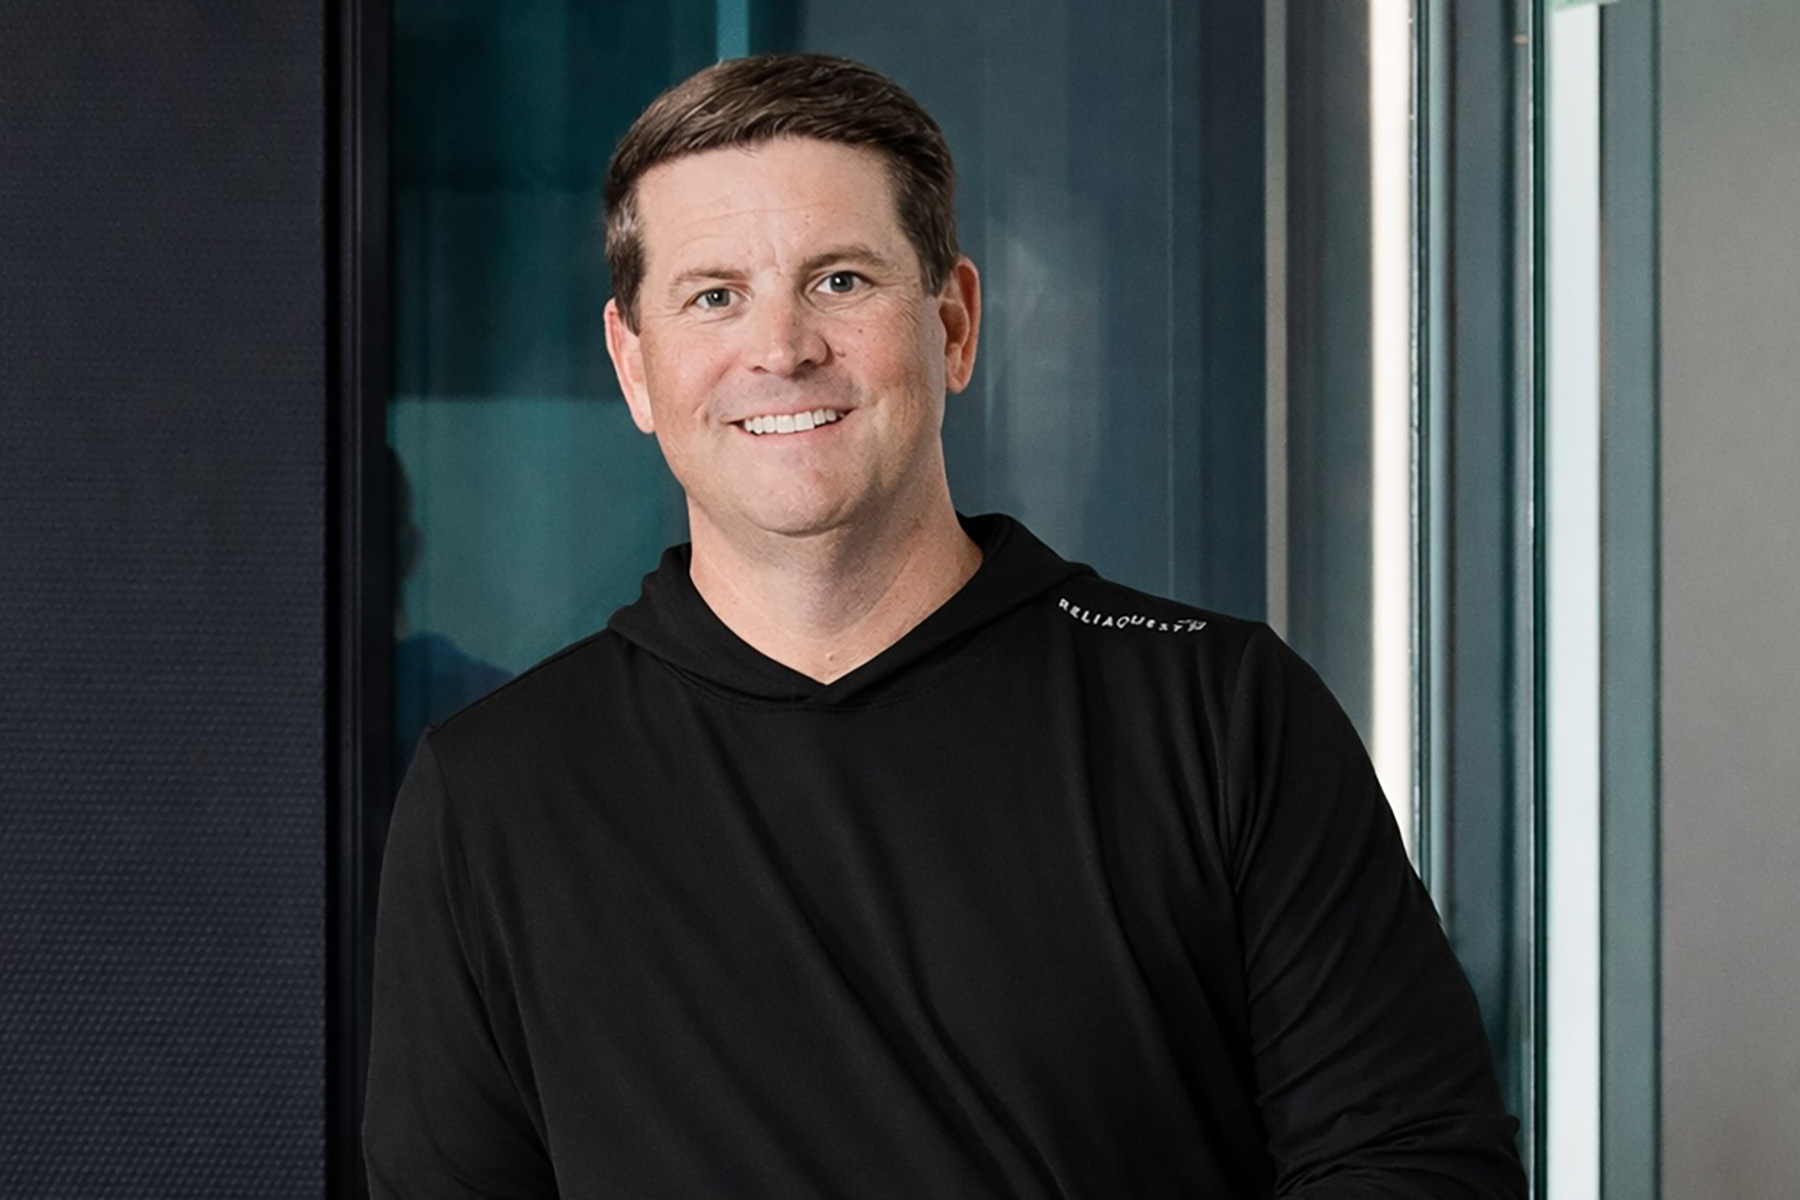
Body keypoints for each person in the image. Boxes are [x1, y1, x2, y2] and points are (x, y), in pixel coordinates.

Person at [364, 53, 1526, 1199]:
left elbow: (1420, 1168)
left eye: (841, 281)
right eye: (715, 296)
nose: (782, 349)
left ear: (955, 323)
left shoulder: (1216, 714)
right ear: (635, 364)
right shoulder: (496, 794)